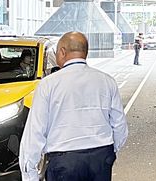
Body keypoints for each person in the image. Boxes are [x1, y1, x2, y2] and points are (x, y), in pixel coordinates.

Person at [19, 31, 128, 181]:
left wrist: (29, 173)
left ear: (62, 52)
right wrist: (109, 153)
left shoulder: (48, 84)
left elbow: (35, 131)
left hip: (64, 161)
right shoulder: (107, 81)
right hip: (101, 157)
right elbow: (119, 125)